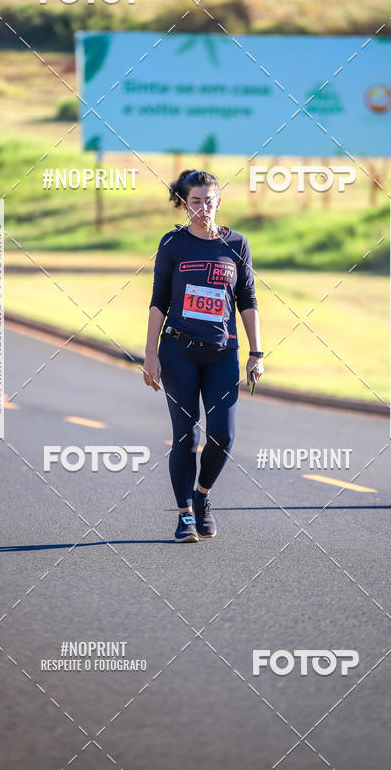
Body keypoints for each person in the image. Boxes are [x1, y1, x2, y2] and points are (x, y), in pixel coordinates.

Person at [144, 169, 264, 543]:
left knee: (223, 436)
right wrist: (150, 354)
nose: (202, 208)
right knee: (185, 436)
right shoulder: (173, 244)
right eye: (194, 201)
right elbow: (158, 301)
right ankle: (184, 517)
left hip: (223, 354)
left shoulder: (237, 244)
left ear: (219, 202)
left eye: (209, 201)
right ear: (183, 204)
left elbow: (247, 300)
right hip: (178, 350)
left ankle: (203, 496)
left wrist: (256, 352)